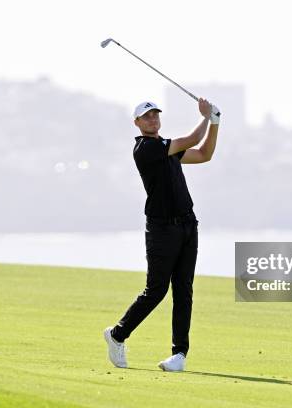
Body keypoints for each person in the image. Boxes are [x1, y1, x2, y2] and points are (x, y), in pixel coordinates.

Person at [104, 98, 220, 371]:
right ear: (137, 123)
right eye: (147, 117)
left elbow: (204, 154)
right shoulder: (145, 148)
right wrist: (205, 116)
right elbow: (192, 139)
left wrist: (215, 123)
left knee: (184, 291)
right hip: (161, 228)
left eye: (155, 115)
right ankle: (117, 335)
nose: (153, 120)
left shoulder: (166, 148)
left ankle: (179, 354)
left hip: (188, 224)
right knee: (156, 290)